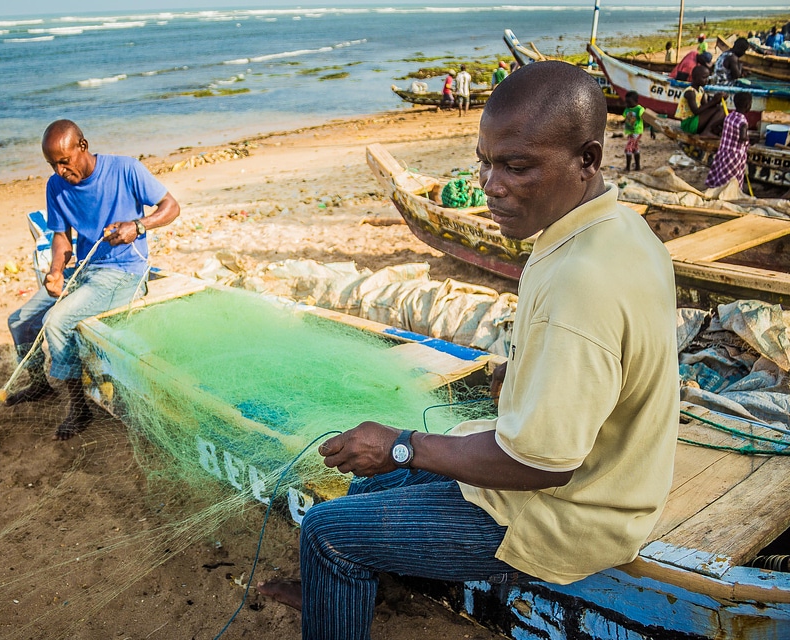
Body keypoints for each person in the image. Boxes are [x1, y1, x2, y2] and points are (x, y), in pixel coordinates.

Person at [257, 60, 679, 639]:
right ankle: (346, 589)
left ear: (588, 160)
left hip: (574, 517)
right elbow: (604, 362)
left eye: (516, 166)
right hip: (608, 480)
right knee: (371, 482)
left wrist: (402, 445)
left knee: (327, 530)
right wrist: (530, 371)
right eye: (484, 161)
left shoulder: (582, 281)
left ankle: (337, 572)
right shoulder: (618, 230)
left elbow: (541, 466)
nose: (489, 184)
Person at [6, 120, 180, 440]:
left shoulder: (126, 169)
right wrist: (56, 271)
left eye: (64, 161)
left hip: (123, 272)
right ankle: (39, 385)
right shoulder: (56, 186)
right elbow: (61, 237)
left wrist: (138, 226)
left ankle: (79, 407)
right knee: (20, 321)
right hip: (84, 270)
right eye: (52, 164)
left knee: (56, 320)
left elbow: (171, 207)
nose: (60, 171)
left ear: (82, 147)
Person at [706, 92, 752, 189]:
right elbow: (742, 137)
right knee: (732, 178)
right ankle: (729, 193)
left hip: (723, 152)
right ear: (748, 106)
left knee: (721, 172)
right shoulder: (743, 122)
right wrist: (749, 139)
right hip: (735, 156)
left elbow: (714, 125)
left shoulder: (729, 117)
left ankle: (717, 189)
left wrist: (721, 132)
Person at [675, 64, 725, 136]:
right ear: (695, 78)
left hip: (694, 121)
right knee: (719, 110)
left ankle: (711, 130)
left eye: (708, 77)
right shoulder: (690, 92)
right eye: (704, 77)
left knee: (720, 109)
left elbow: (706, 107)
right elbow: (696, 111)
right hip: (688, 124)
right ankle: (707, 132)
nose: (707, 80)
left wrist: (718, 100)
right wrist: (714, 101)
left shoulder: (701, 90)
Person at [622, 91, 645, 171]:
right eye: (626, 102)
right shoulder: (627, 109)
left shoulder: (639, 109)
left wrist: (652, 129)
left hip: (636, 131)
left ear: (635, 101)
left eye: (629, 102)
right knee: (635, 148)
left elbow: (646, 118)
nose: (627, 104)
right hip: (630, 131)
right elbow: (625, 118)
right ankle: (637, 166)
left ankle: (628, 167)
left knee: (628, 148)